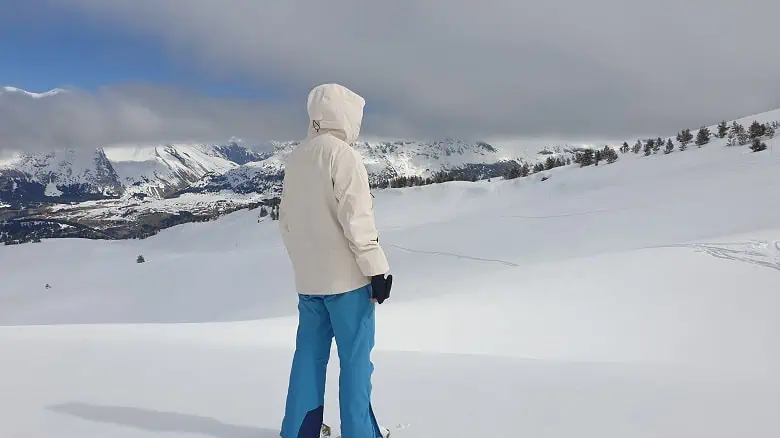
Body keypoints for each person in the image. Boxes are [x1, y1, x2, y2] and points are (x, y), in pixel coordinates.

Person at [278, 83, 394, 438]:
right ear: (346, 116)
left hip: (310, 283)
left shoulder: (297, 157)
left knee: (308, 361)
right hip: (348, 284)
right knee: (356, 363)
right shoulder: (342, 155)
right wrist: (377, 270)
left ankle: (299, 431)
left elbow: (287, 222)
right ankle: (360, 433)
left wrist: (304, 265)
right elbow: (357, 220)